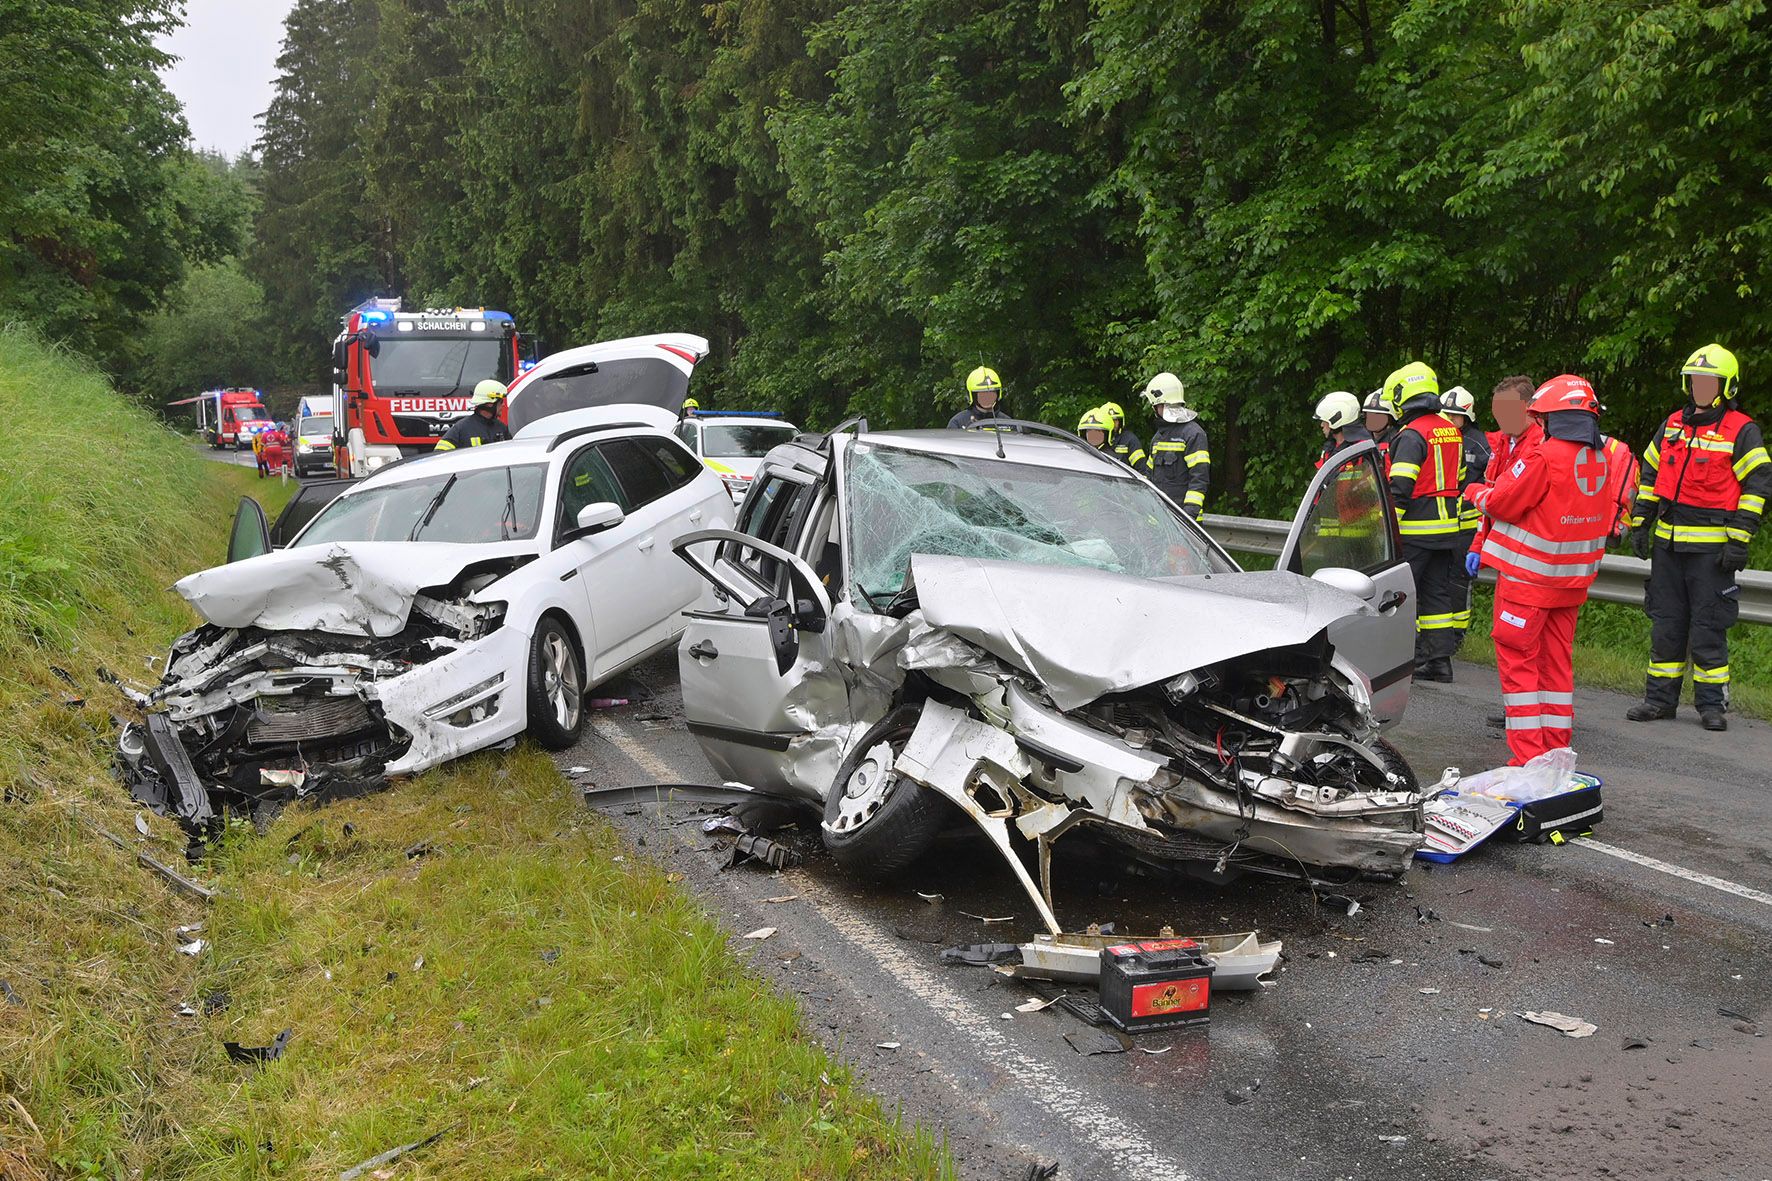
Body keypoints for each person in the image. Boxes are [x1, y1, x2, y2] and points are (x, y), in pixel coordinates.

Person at [1463, 375, 1620, 764]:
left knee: (1519, 670)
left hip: (1527, 584)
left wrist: (1474, 492)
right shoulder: (1602, 457)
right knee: (1555, 669)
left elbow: (1501, 501)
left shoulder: (1543, 457)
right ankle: (1555, 754)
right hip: (1570, 584)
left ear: (1553, 418)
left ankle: (1528, 761)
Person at [1626, 344, 1769, 731]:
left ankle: (1711, 706)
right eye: (1696, 381)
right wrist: (1641, 520)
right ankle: (1659, 701)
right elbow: (1650, 475)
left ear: (1727, 386)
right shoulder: (1672, 424)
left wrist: (1740, 537)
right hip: (1669, 548)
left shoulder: (1742, 430)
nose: (1701, 388)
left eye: (1709, 382)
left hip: (1711, 552)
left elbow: (1758, 483)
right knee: (1666, 624)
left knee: (1708, 627)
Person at [1383, 360, 1467, 682]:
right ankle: (1440, 663)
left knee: (1400, 597)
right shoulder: (1449, 430)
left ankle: (1405, 661)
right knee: (1437, 597)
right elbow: (1457, 479)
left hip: (1416, 530)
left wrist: (1391, 530)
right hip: (1447, 530)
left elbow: (1400, 488)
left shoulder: (1412, 434)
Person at [1441, 386, 1493, 639]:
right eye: (1446, 415)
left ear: (1467, 416)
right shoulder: (1438, 439)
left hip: (1467, 526)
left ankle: (1457, 635)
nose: (1450, 420)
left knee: (1459, 580)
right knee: (1437, 580)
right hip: (1440, 523)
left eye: (1455, 416)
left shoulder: (1480, 445)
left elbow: (1491, 485)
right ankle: (1435, 635)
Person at [1142, 372, 1209, 518]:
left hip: (1185, 520)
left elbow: (1199, 477)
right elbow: (1149, 476)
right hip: (1160, 519)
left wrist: (1188, 515)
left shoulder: (1193, 434)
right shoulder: (1158, 437)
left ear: (1159, 404)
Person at [435, 380, 512, 451]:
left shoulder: (501, 428)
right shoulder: (461, 429)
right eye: (501, 402)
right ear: (490, 404)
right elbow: (439, 455)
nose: (503, 405)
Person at [1314, 390, 1372, 468]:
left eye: (1324, 421)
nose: (1322, 425)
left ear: (1336, 419)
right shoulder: (1329, 448)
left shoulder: (1362, 449)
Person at [1100, 400, 1145, 467]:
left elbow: (1141, 467)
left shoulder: (1129, 440)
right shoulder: (1097, 439)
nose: (1113, 424)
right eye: (1109, 420)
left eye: (1115, 420)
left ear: (1120, 422)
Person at [1362, 389, 1398, 464]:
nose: (1373, 419)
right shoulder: (1363, 439)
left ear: (1390, 418)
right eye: (1370, 415)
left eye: (1378, 415)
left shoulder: (1396, 441)